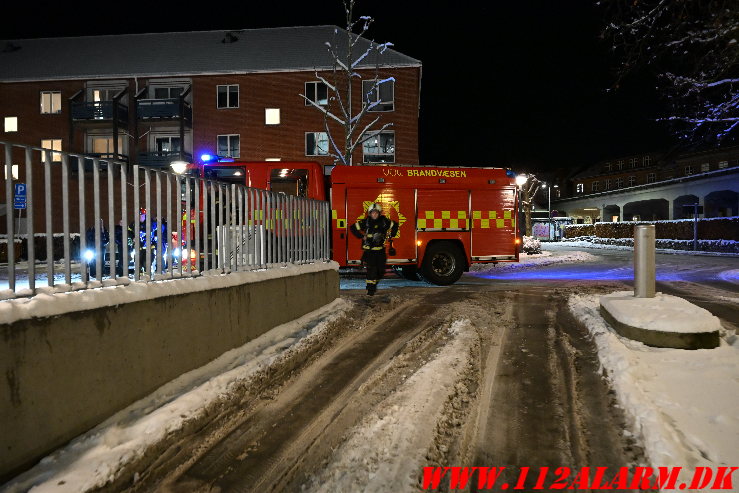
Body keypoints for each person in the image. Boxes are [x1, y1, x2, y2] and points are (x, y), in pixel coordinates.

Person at [350, 202, 398, 295]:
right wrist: (361, 236)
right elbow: (352, 228)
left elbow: (395, 225)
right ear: (370, 213)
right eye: (372, 212)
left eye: (376, 212)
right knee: (371, 271)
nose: (374, 214)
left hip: (380, 250)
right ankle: (370, 291)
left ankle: (373, 284)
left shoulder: (384, 221)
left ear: (379, 213)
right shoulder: (366, 222)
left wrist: (392, 235)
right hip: (369, 251)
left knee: (381, 270)